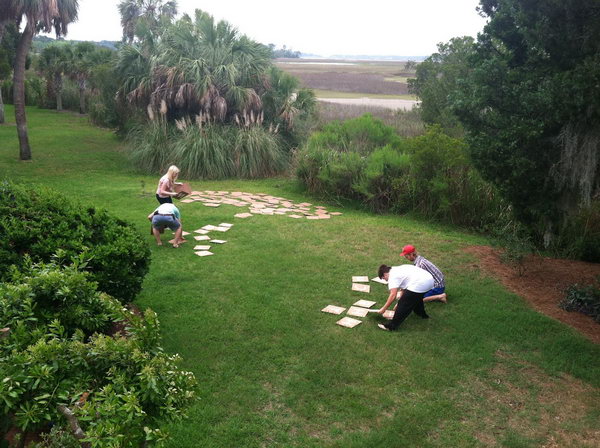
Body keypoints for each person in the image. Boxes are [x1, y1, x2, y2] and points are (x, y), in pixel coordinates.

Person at [376, 264, 434, 331]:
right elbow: (406, 285)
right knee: (416, 297)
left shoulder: (392, 277)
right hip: (429, 280)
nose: (385, 280)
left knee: (403, 304)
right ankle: (421, 314)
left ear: (385, 274)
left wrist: (384, 309)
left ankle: (391, 326)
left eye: (384, 278)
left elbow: (393, 295)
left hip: (421, 283)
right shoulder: (397, 269)